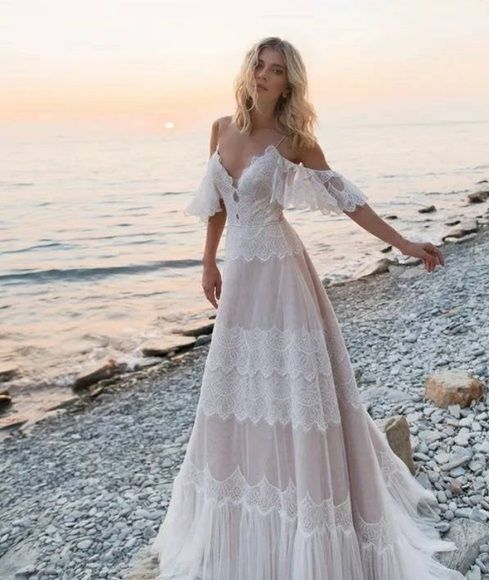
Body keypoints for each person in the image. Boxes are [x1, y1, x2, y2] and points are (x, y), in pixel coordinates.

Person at [148, 36, 465, 580]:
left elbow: (348, 201)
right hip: (241, 276)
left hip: (282, 276)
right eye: (258, 66)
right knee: (236, 392)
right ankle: (241, 508)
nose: (263, 76)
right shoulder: (220, 128)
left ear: (289, 81)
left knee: (296, 389)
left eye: (274, 70)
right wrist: (207, 263)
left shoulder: (294, 139)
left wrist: (405, 244)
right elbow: (217, 207)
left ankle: (312, 506)